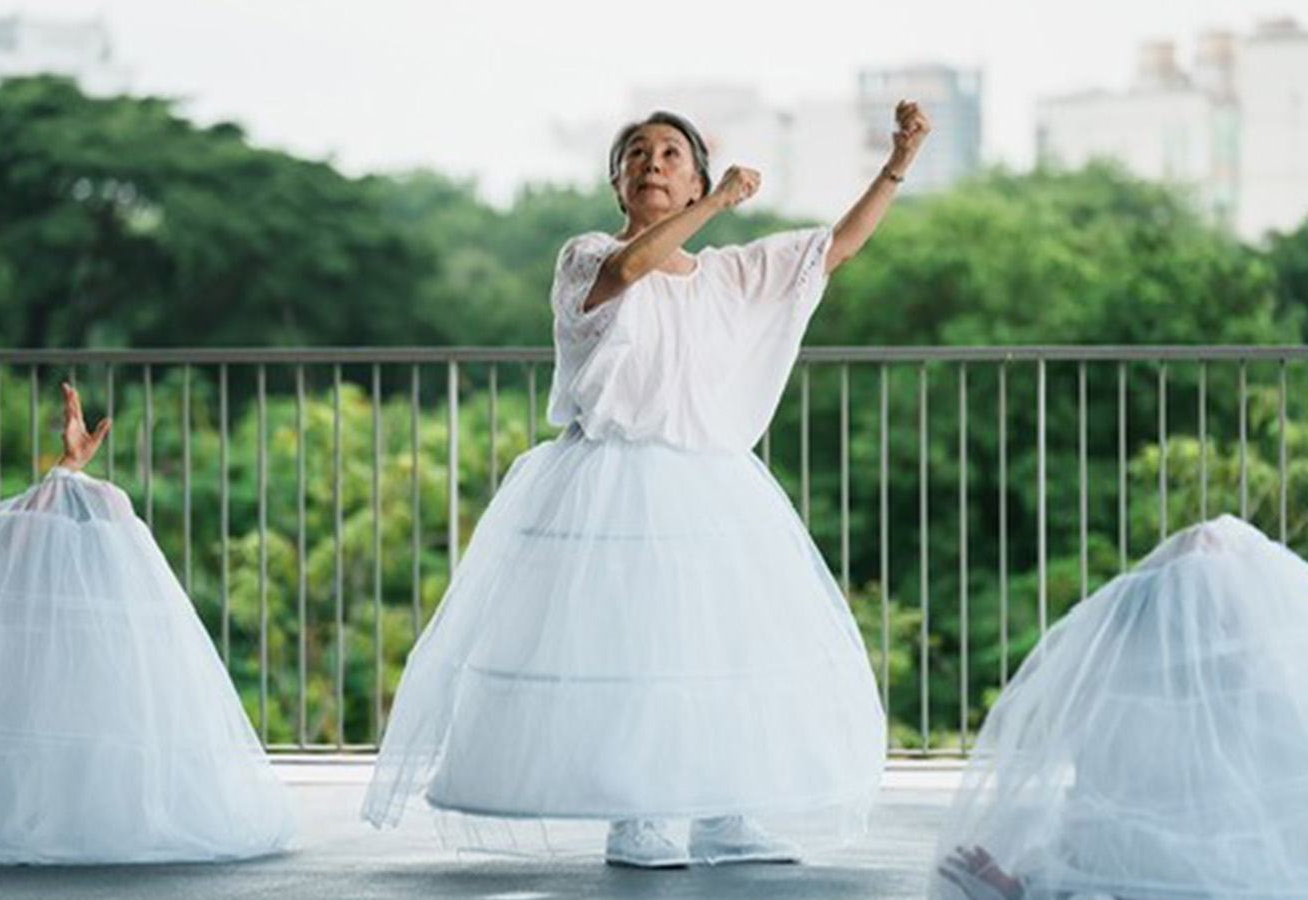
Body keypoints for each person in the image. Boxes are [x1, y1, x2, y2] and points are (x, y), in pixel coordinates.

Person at [363, 101, 933, 868]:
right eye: (638, 154)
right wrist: (719, 202)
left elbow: (836, 247)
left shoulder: (727, 274)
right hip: (609, 479)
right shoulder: (587, 254)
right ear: (618, 181)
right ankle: (639, 813)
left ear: (694, 173)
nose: (653, 164)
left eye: (670, 154)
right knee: (630, 645)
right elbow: (628, 272)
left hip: (709, 485)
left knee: (720, 646)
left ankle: (725, 813)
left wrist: (899, 161)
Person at [0, 383, 293, 865]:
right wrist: (63, 476)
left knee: (98, 505)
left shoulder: (90, 633)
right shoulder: (29, 603)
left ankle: (71, 487)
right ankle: (71, 487)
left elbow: (21, 532)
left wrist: (64, 475)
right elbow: (24, 533)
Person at [934, 515, 1308, 900]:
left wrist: (1022, 887)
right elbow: (1100, 836)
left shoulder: (1167, 715)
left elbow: (1098, 842)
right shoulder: (1162, 717)